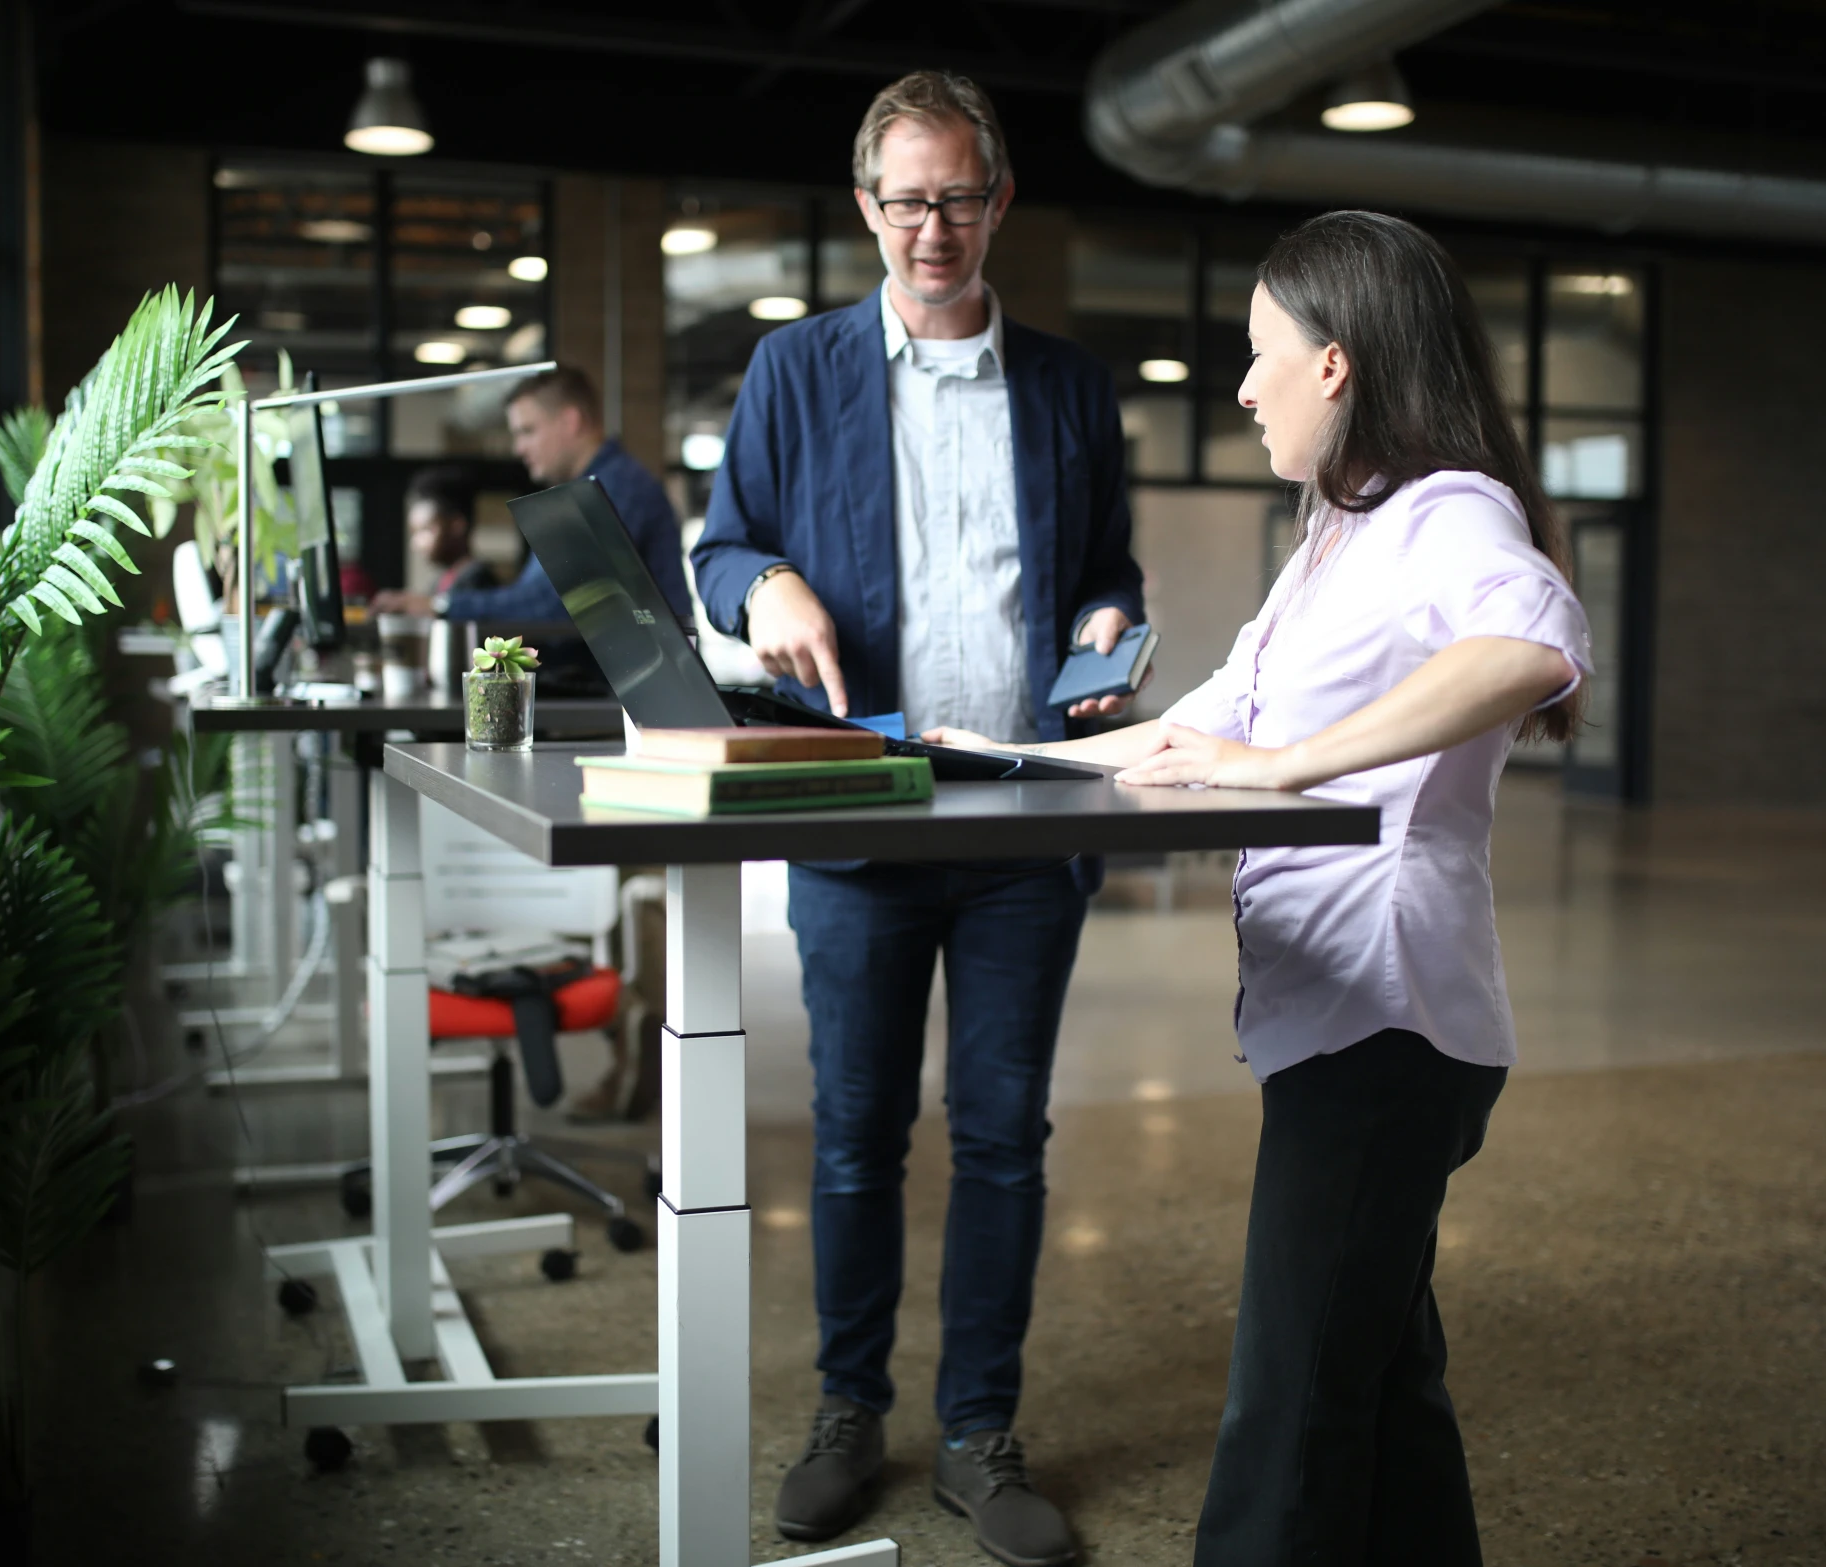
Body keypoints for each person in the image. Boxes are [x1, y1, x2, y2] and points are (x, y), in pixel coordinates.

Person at [925, 209, 1592, 1564]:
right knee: (1379, 1382)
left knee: (1286, 1408)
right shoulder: (1335, 540)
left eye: (1255, 352)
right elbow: (1198, 721)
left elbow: (1529, 641)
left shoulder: (1446, 510)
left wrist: (1286, 765)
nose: (1239, 385)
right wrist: (995, 757)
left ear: (1334, 363)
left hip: (1387, 1020)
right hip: (1341, 1019)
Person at [692, 70, 1146, 1567]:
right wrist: (762, 583)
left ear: (997, 200)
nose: (930, 227)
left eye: (957, 195)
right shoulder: (795, 370)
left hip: (1019, 815)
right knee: (851, 1136)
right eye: (904, 199)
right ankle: (844, 1413)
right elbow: (720, 551)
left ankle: (975, 1429)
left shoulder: (1073, 387)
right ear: (866, 208)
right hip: (861, 802)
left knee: (1002, 1134)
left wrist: (1102, 620)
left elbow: (1111, 575)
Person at [373, 364, 692, 624]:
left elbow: (550, 606)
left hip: (624, 699)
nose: (519, 448)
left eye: (527, 431)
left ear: (571, 421)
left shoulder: (612, 490)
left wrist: (440, 606)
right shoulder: (591, 490)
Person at [370, 464, 495, 615]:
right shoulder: (442, 581)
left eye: (425, 530)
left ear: (457, 525)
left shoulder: (477, 580)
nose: (415, 544)